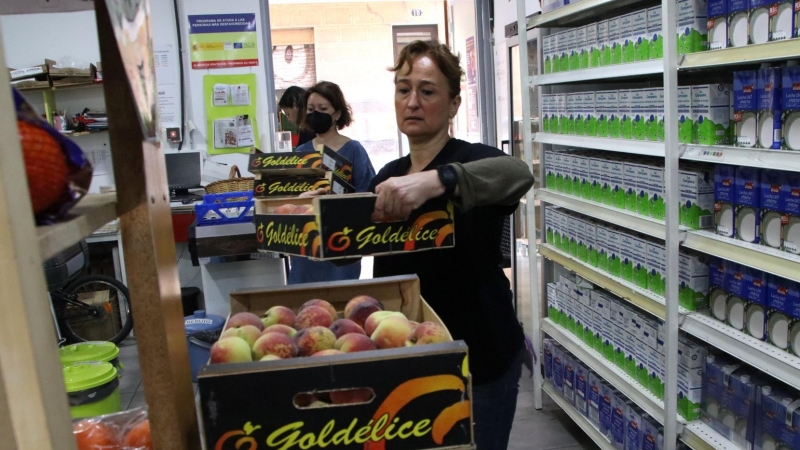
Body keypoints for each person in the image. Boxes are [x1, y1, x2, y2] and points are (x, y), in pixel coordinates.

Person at [370, 40, 535, 449]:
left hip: (479, 359)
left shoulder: (472, 159)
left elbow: (517, 173)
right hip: (408, 361)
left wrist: (435, 181)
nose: (411, 101)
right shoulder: (388, 176)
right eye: (403, 89)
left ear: (454, 104)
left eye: (427, 91)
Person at [287, 81, 376, 285]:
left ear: (337, 113)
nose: (315, 113)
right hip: (306, 246)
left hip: (341, 242)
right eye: (310, 109)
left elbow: (369, 195)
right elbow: (287, 200)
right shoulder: (299, 153)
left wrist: (339, 201)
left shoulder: (354, 150)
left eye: (323, 109)